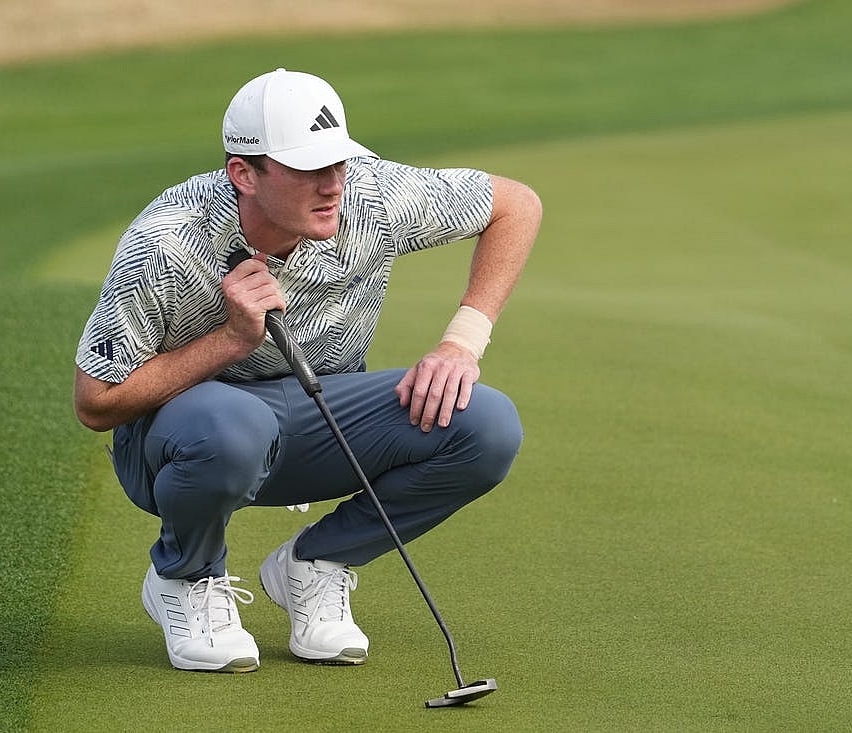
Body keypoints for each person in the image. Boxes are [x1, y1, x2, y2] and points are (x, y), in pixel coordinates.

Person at [73, 67, 541, 673]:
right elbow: (95, 403)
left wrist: (461, 344)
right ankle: (185, 578)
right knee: (230, 425)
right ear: (244, 173)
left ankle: (316, 564)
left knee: (486, 425)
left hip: (320, 420)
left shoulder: (372, 195)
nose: (332, 186)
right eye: (308, 169)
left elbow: (516, 205)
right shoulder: (168, 242)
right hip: (182, 442)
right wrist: (231, 340)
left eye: (338, 163)